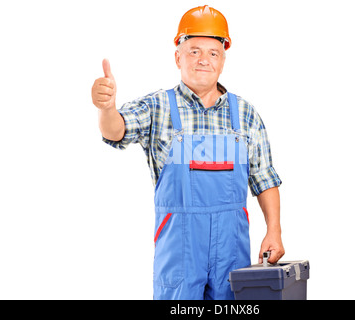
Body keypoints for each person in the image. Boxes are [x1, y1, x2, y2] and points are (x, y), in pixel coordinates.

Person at [91, 5, 284, 300]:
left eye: (213, 52)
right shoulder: (158, 107)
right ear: (177, 56)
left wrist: (274, 230)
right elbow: (116, 130)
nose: (203, 60)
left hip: (231, 249)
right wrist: (106, 109)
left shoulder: (245, 114)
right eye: (194, 51)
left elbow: (264, 178)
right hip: (180, 250)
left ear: (222, 61)